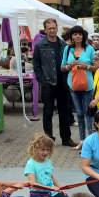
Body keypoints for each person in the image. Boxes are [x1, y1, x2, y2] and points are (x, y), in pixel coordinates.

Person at [33, 19, 77, 148]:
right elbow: (36, 65)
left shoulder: (63, 44)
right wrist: (42, 81)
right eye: (49, 28)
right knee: (48, 113)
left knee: (65, 112)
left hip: (63, 83)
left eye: (54, 28)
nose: (52, 30)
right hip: (48, 83)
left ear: (57, 28)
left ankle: (66, 138)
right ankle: (48, 139)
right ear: (45, 30)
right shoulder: (40, 45)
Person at [63, 25, 96, 140]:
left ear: (83, 36)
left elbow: (96, 67)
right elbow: (62, 67)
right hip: (73, 85)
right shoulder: (67, 49)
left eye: (80, 34)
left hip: (87, 86)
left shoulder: (90, 49)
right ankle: (82, 140)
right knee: (79, 113)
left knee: (88, 113)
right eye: (75, 34)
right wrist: (69, 66)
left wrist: (86, 66)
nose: (77, 36)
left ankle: (90, 140)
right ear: (71, 36)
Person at [24, 133, 69, 197]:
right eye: (43, 150)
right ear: (35, 149)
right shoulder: (31, 164)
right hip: (38, 195)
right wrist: (50, 188)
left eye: (48, 150)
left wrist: (60, 188)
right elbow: (33, 184)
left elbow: (51, 176)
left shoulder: (48, 161)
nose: (45, 152)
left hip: (51, 192)